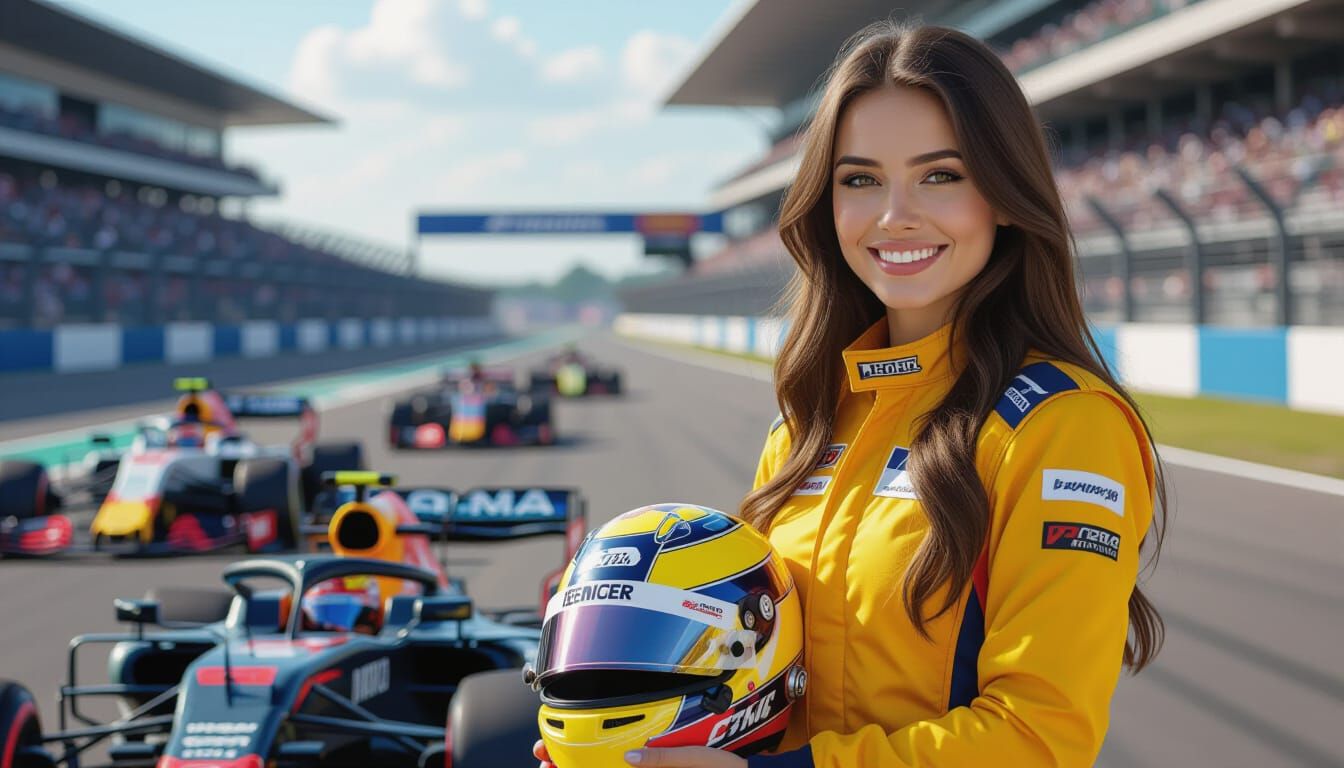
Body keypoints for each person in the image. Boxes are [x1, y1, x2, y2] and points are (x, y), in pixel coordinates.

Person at [535, 20, 1165, 768]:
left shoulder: (1064, 429)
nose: (894, 214)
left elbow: (1040, 737)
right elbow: (759, 675)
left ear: (1003, 194)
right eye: (860, 179)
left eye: (941, 175)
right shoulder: (805, 427)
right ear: (827, 206)